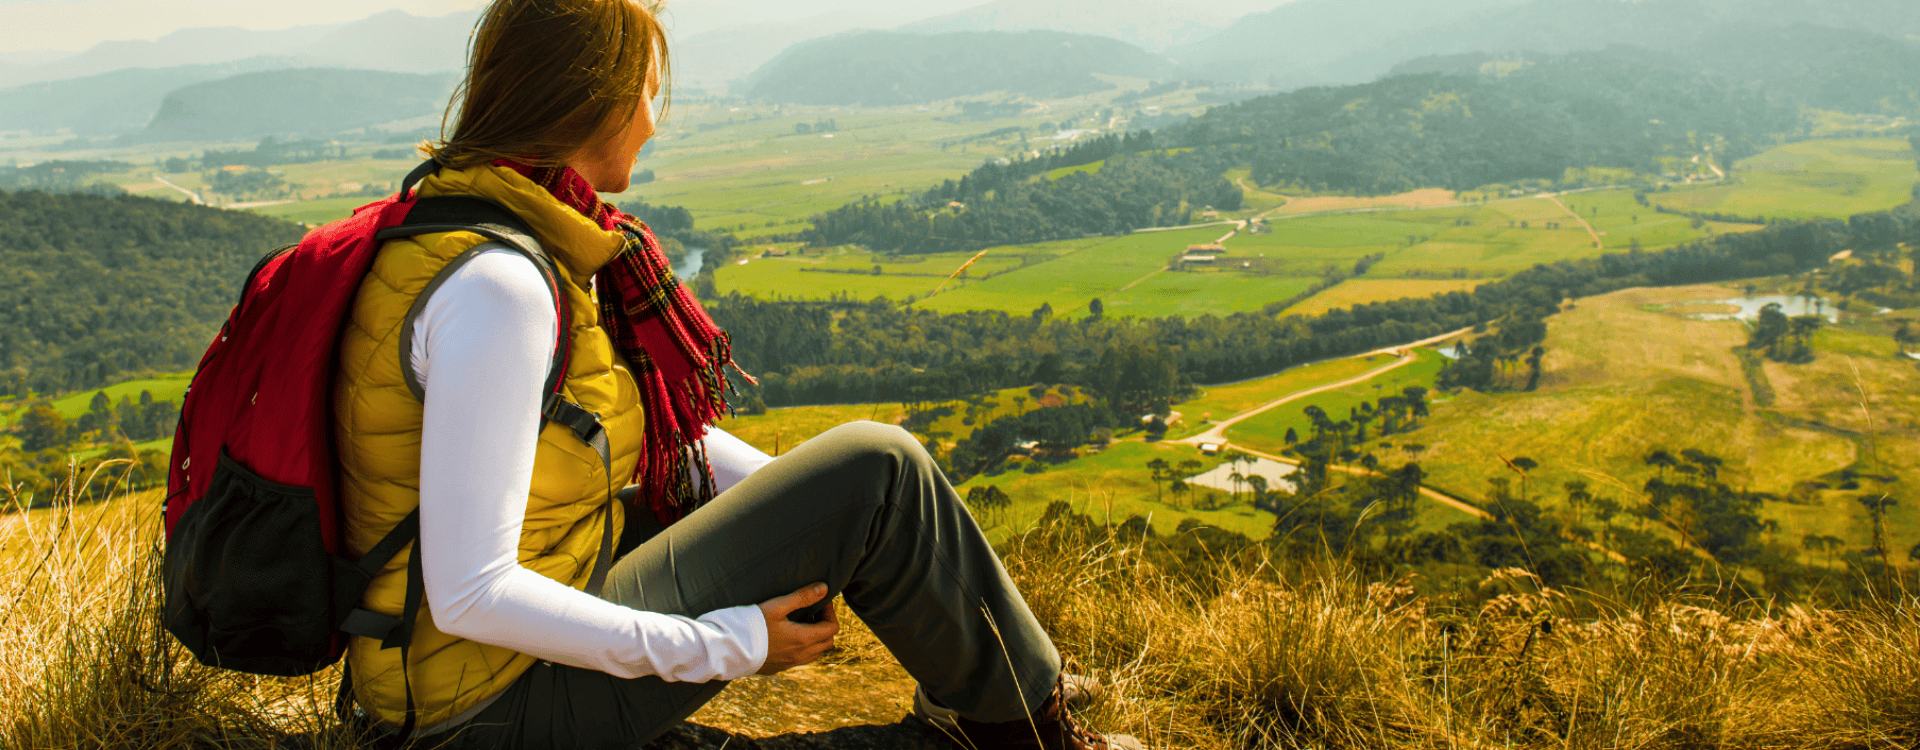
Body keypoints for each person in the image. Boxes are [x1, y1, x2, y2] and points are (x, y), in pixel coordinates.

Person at [332, 1, 1140, 748]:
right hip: (477, 714)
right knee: (880, 464)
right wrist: (728, 644)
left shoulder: (476, 226)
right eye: (648, 94)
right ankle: (1031, 731)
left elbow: (639, 441)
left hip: (457, 670)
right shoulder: (500, 287)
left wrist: (819, 516)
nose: (653, 122)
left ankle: (1007, 692)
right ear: (598, 102)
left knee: (865, 485)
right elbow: (474, 591)